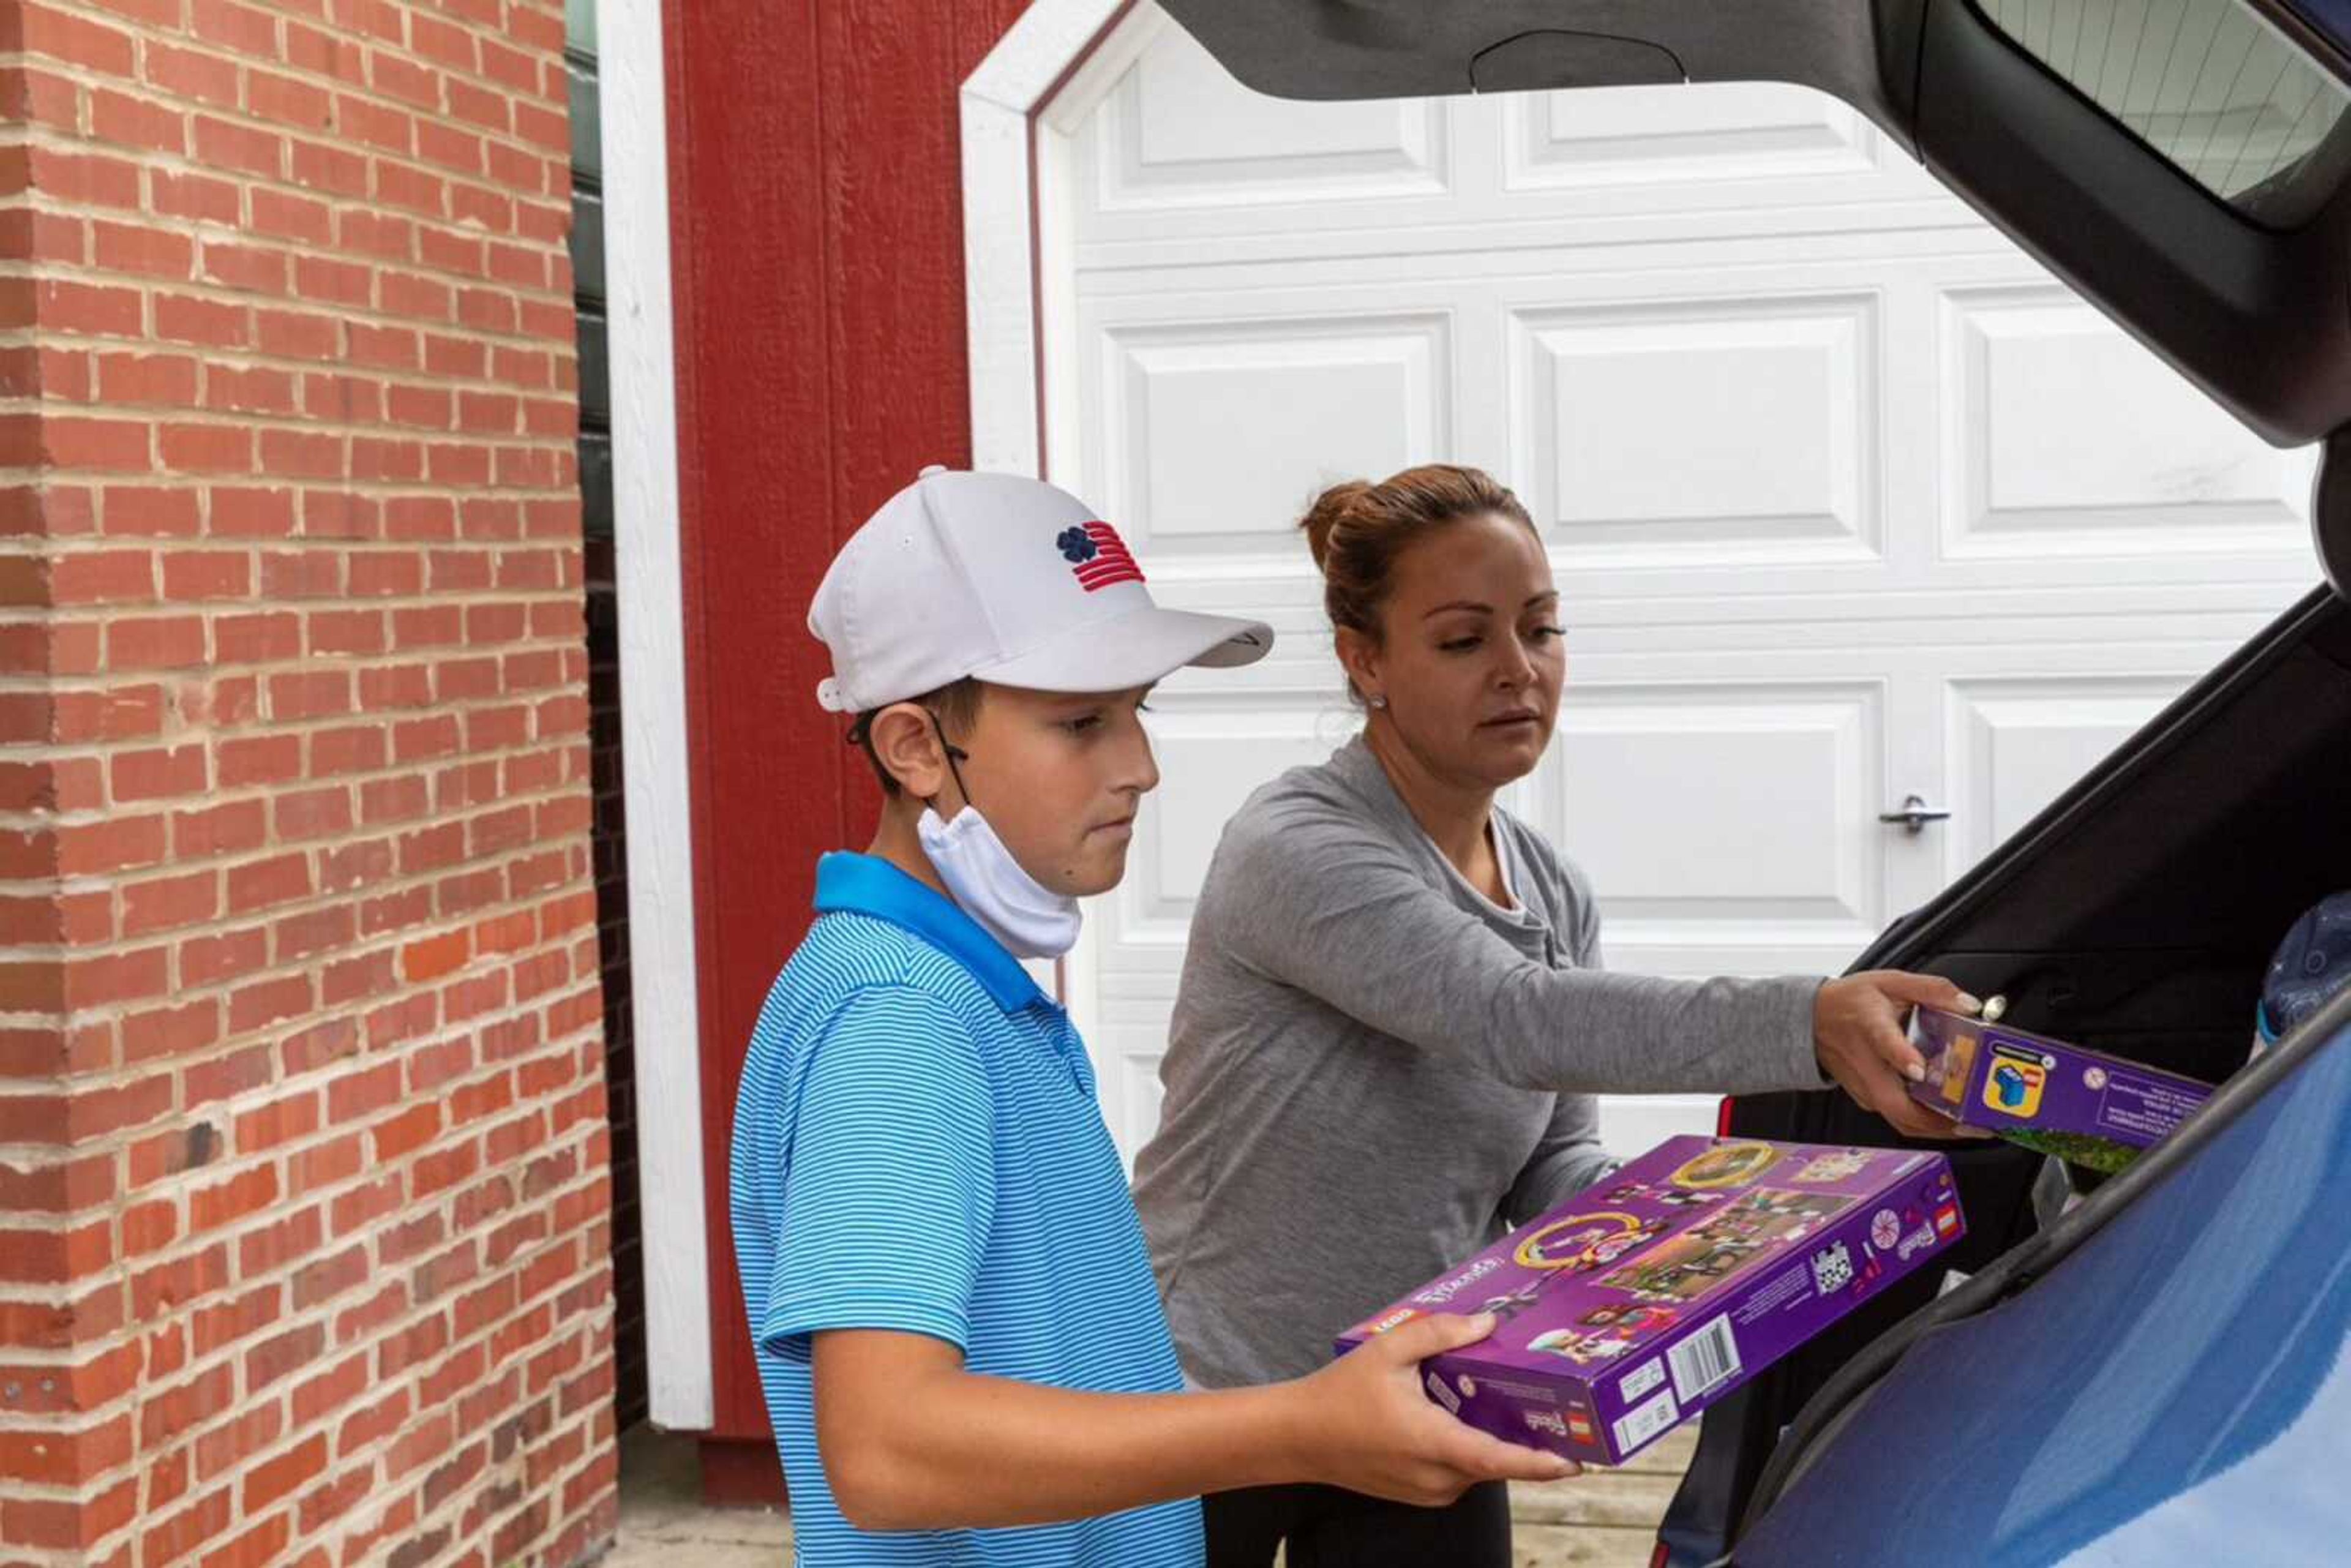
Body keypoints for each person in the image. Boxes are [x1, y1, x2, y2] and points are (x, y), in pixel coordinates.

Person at [1132, 463, 1982, 1568]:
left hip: (1409, 1389)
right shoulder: (1298, 845)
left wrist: (1722, 1237)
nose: (1518, 671)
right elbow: (1514, 1017)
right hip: (1208, 1393)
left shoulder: (1551, 888)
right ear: (1365, 660)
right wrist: (1809, 1021)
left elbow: (1551, 1168)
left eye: (1541, 629)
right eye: (1462, 639)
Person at [728, 468, 1577, 1568]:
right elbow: (887, 1448)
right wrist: (1303, 1426)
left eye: (1138, 712)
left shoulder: (965, 991)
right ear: (914, 748)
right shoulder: (897, 1022)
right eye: (1081, 722)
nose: (1141, 766)